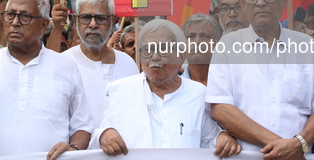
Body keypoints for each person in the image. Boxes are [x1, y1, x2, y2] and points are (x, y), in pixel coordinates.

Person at [207, 0, 314, 158]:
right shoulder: (227, 46)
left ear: (284, 0)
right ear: (242, 2)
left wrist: (299, 143)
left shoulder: (307, 46)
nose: (260, 2)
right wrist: (285, 146)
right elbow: (221, 109)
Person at [0, 0, 93, 158]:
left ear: (43, 25)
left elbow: (82, 125)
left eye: (25, 16)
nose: (15, 22)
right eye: (10, 14)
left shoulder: (66, 66)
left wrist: (74, 149)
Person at [91, 19, 240, 158]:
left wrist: (223, 138)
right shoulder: (120, 92)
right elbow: (96, 139)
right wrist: (105, 134)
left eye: (164, 48)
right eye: (148, 50)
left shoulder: (199, 94)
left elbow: (211, 139)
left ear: (181, 56)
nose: (155, 57)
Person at [63, 0, 139, 127]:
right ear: (75, 20)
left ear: (113, 20)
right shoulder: (62, 63)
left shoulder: (127, 63)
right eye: (85, 17)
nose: (93, 24)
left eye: (100, 18)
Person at [181, 13, 222, 85]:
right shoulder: (174, 87)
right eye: (191, 36)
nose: (197, 42)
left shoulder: (229, 82)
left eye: (205, 36)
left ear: (217, 43)